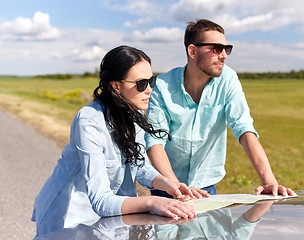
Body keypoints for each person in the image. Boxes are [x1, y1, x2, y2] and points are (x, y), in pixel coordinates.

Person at [31, 45, 197, 237]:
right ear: (116, 85)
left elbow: (140, 166)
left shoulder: (134, 114)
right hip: (69, 219)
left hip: (111, 221)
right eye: (141, 83)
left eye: (151, 81)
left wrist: (169, 185)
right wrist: (153, 202)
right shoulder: (89, 122)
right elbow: (100, 200)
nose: (149, 90)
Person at [145, 19, 296, 198]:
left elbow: (244, 128)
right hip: (166, 185)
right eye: (216, 49)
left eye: (227, 49)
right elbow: (155, 140)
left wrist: (269, 182)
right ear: (192, 51)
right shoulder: (161, 85)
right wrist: (175, 186)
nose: (224, 55)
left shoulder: (228, 79)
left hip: (206, 188)